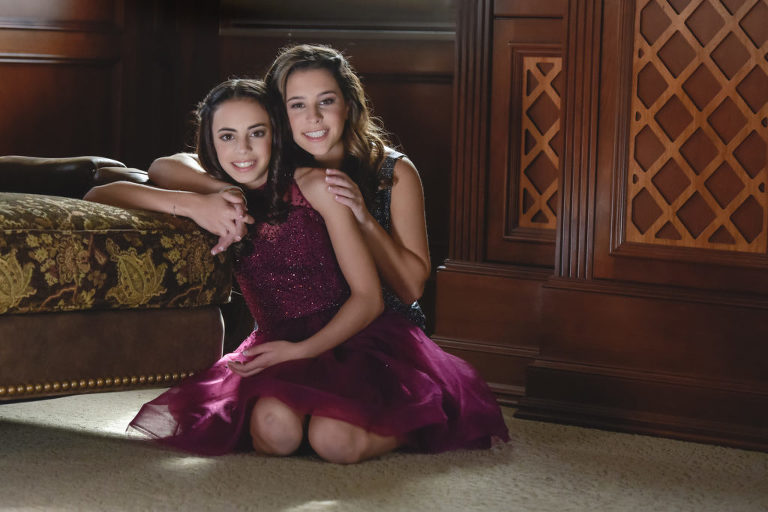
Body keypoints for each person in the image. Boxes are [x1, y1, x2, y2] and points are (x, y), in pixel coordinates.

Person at [85, 78, 509, 462]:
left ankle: (414, 421)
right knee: (276, 434)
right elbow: (99, 194)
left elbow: (369, 300)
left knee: (334, 442)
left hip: (355, 339)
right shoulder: (214, 192)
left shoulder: (315, 185)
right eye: (227, 137)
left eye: (257, 133)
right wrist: (194, 204)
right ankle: (312, 414)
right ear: (210, 146)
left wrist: (300, 351)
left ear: (277, 134)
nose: (243, 150)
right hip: (276, 341)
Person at [148, 44, 429, 331]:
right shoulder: (267, 159)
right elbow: (165, 167)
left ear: (348, 104)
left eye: (326, 101)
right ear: (277, 115)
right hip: (296, 331)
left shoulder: (392, 172)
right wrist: (224, 189)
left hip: (386, 330)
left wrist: (364, 219)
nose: (313, 116)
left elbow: (411, 289)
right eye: (297, 105)